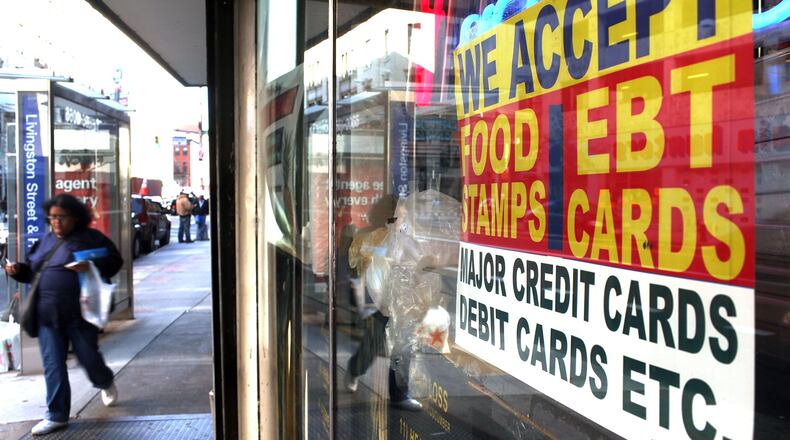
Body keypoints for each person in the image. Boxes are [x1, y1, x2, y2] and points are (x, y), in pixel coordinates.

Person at [5, 194, 123, 436]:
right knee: (53, 365)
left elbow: (115, 262)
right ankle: (57, 415)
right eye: (53, 217)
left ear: (76, 217)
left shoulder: (91, 238)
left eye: (62, 217)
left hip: (81, 314)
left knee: (89, 358)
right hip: (48, 315)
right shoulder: (45, 241)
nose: (56, 222)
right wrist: (17, 270)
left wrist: (92, 265)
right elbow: (32, 273)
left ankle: (104, 381)